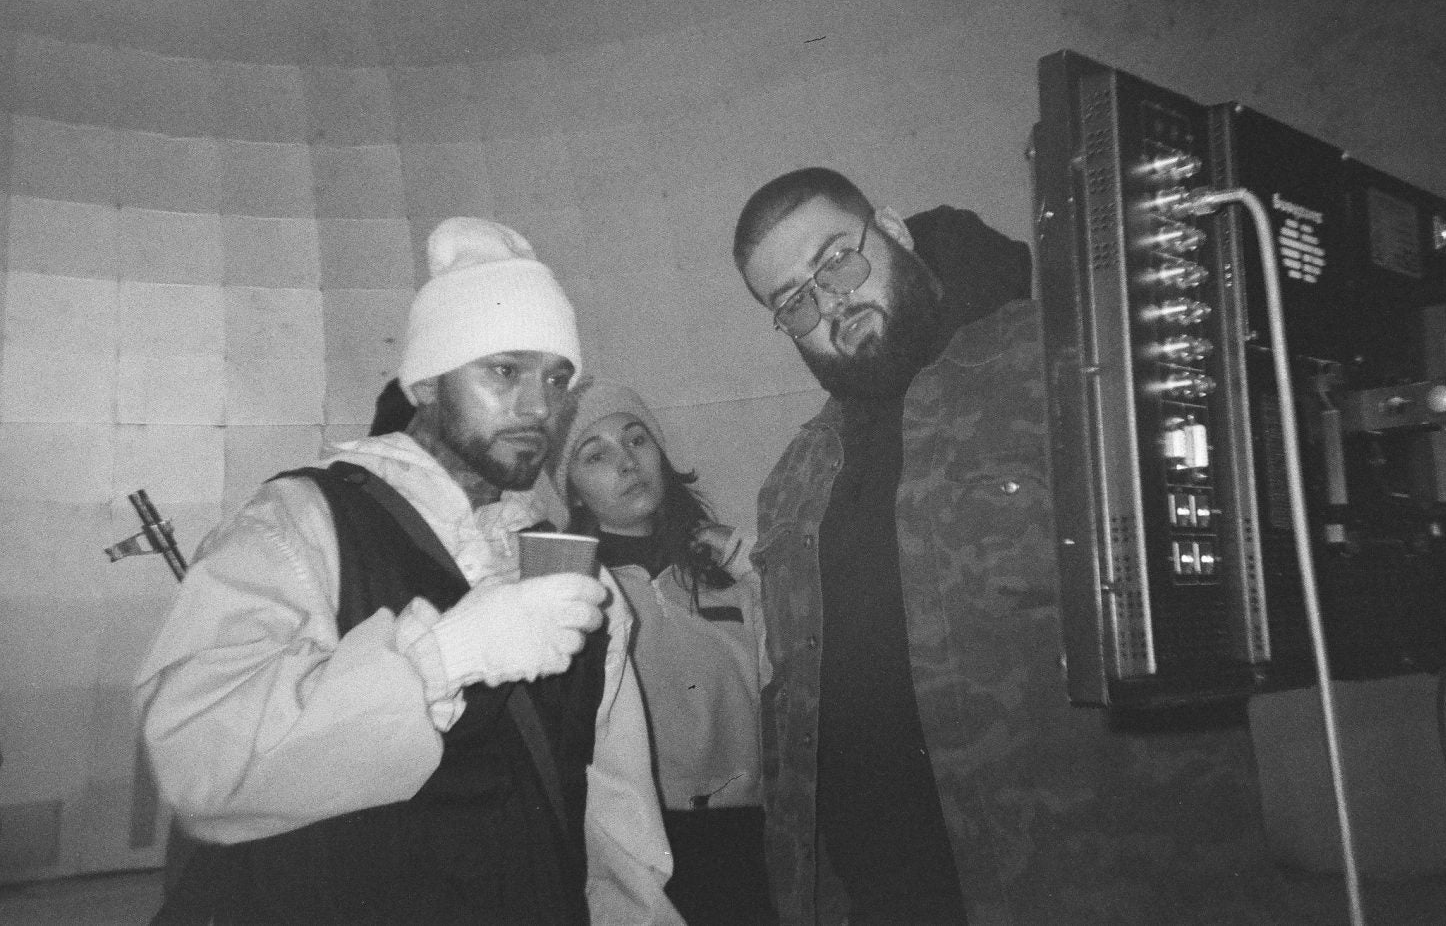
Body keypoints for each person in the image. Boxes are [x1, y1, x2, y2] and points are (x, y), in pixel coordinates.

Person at [732, 168, 1285, 924]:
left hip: (1092, 891)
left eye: (836, 260)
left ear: (891, 230)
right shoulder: (793, 480)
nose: (829, 302)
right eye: (792, 301)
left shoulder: (1074, 362)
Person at [136, 217, 682, 926]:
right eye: (505, 371)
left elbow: (614, 813)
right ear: (425, 383)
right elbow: (195, 759)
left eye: (556, 378)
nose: (540, 407)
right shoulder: (302, 523)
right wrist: (441, 659)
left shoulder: (572, 566)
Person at [551, 382, 777, 926]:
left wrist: (750, 562)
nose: (626, 463)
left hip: (753, 835)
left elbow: (797, 661)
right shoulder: (574, 591)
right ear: (573, 491)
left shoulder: (728, 570)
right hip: (644, 847)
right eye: (595, 455)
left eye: (637, 440)